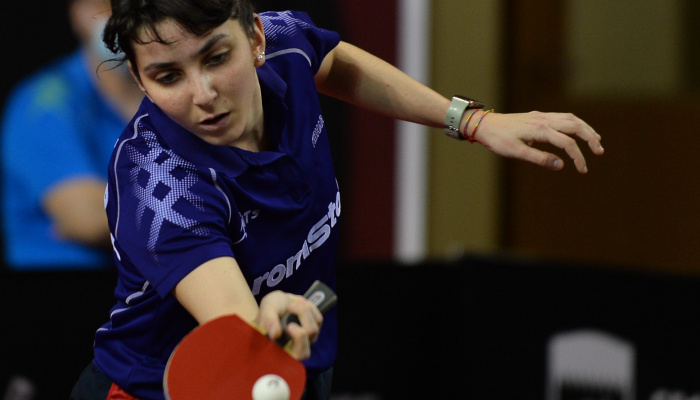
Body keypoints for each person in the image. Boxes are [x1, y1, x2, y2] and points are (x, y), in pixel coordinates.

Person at [70, 0, 604, 399]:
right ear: (139, 79)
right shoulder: (159, 184)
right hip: (166, 386)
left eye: (217, 57)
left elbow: (332, 59)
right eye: (168, 76)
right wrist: (266, 318)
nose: (203, 94)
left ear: (255, 38)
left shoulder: (283, 46)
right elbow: (233, 321)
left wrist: (470, 121)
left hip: (293, 364)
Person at [0, 0, 143, 270]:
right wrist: (204, 208)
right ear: (77, 14)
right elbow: (88, 219)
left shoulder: (173, 95)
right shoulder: (45, 100)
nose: (117, 17)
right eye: (102, 5)